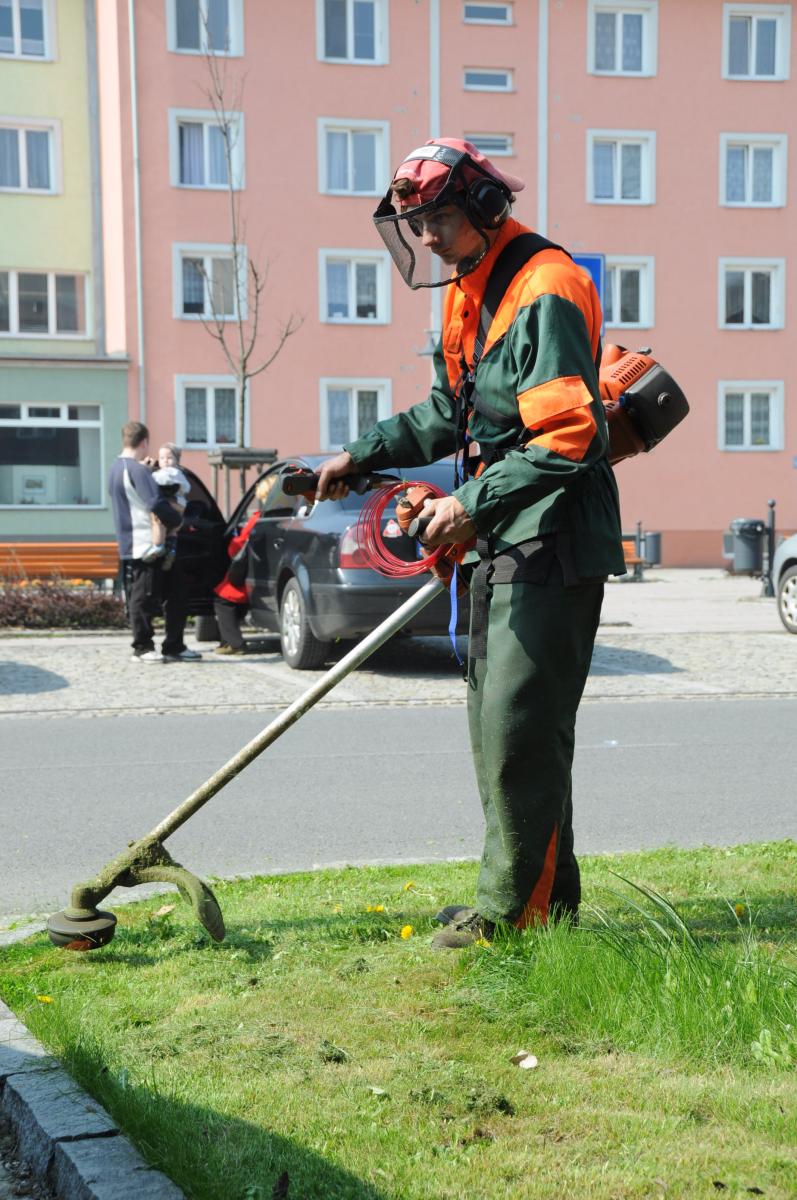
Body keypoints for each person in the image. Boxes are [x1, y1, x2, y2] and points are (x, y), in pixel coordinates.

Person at [316, 138, 625, 949]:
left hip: (553, 533)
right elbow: (448, 414)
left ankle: (510, 914)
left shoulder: (545, 288)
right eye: (415, 224)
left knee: (521, 726)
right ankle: (531, 902)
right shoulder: (470, 292)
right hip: (503, 529)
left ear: (485, 209)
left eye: (438, 219)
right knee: (497, 725)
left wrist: (467, 504)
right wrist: (363, 453)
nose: (425, 238)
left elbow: (567, 438)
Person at [108, 421, 202, 664]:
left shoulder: (115, 468)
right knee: (144, 597)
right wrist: (177, 521)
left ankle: (174, 645)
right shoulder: (136, 470)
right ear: (144, 442)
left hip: (133, 540)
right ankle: (143, 646)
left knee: (174, 593)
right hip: (148, 543)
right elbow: (155, 502)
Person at [213, 476, 275, 655]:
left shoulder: (258, 518)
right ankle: (227, 641)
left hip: (248, 572)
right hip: (263, 570)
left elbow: (239, 546)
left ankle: (235, 643)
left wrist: (232, 542)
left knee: (223, 600)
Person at [141, 445, 191, 569]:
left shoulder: (172, 472)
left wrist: (147, 471)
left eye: (169, 458)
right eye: (162, 458)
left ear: (177, 461)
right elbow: (187, 488)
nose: (165, 460)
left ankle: (158, 547)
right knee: (172, 529)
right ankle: (171, 550)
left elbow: (159, 480)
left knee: (158, 520)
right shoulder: (180, 474)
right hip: (180, 505)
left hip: (170, 503)